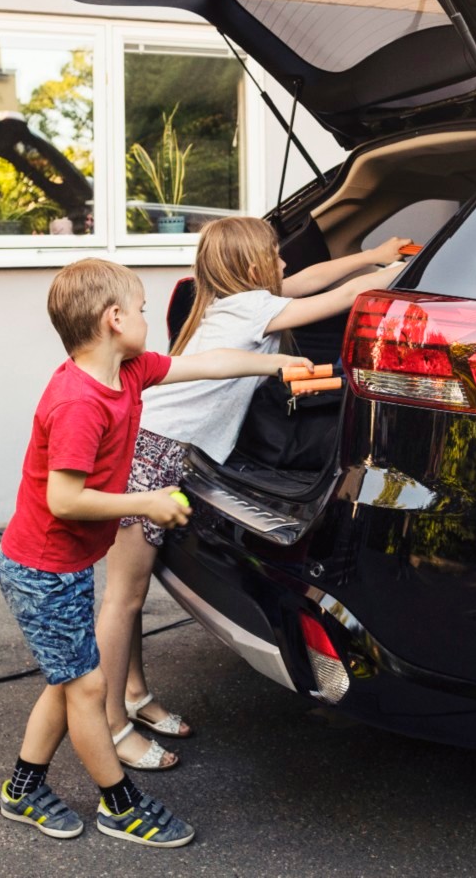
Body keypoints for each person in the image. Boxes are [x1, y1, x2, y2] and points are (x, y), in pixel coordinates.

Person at [0, 257, 310, 848]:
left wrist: (276, 363)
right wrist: (146, 502)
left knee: (68, 683)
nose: (147, 318)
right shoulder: (80, 403)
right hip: (39, 570)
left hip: (59, 567)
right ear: (114, 319)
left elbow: (208, 363)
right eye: (140, 309)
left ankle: (23, 788)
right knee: (87, 689)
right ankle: (120, 805)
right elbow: (64, 499)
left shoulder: (130, 371)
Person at [97, 217, 407, 770]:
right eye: (275, 257)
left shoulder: (233, 300)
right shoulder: (249, 309)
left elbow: (311, 279)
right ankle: (112, 727)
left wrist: (371, 253)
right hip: (150, 454)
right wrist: (400, 272)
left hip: (157, 450)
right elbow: (337, 297)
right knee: (123, 598)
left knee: (133, 594)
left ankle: (135, 695)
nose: (285, 264)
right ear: (251, 267)